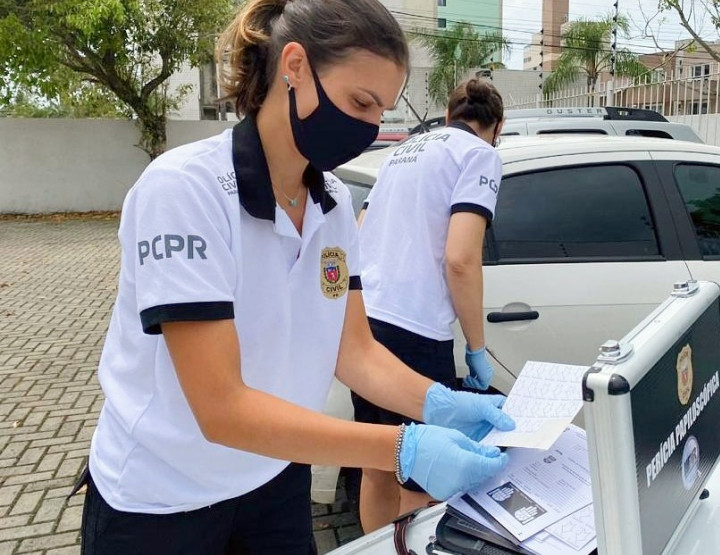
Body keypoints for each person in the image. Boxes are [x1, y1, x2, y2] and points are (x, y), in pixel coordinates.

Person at [78, 1, 514, 553]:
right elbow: (220, 409)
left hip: (275, 474)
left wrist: (441, 403)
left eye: (381, 110)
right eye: (360, 102)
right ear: (295, 67)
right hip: (162, 501)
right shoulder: (185, 190)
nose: (370, 126)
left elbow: (354, 351)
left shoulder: (332, 204)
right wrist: (403, 447)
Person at [354, 78, 506, 532]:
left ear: (448, 116)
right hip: (415, 330)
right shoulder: (480, 155)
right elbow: (461, 259)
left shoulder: (401, 152)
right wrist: (476, 348)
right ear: (497, 127)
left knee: (376, 461)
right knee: (422, 482)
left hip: (364, 320)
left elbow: (359, 228)